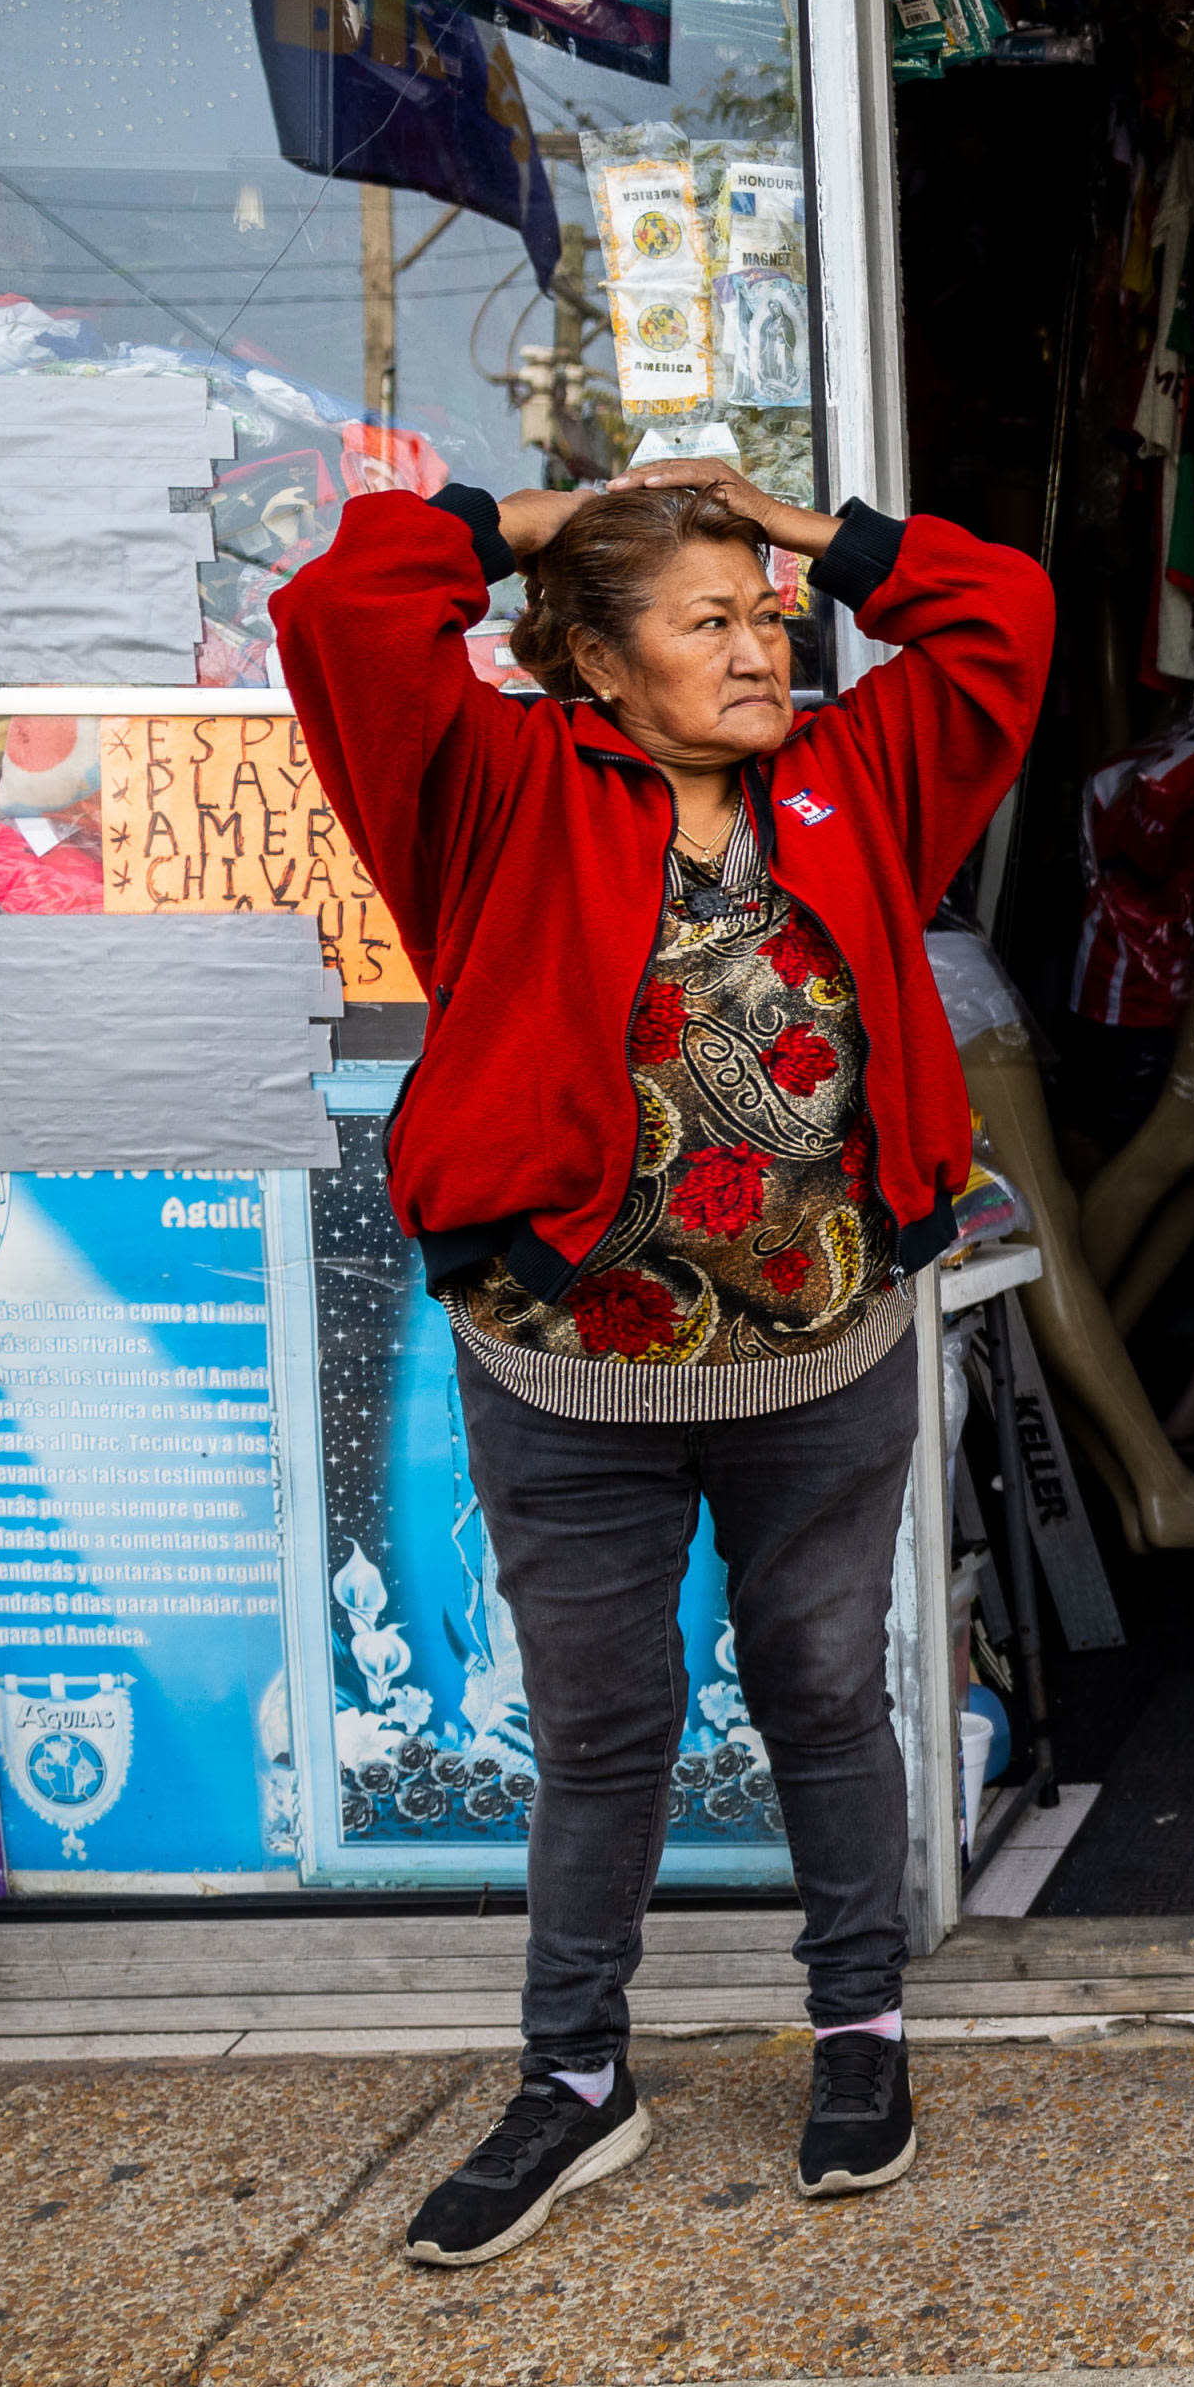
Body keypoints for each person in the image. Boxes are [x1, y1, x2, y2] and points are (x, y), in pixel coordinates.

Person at [272, 459, 1050, 2268]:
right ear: (601, 670)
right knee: (604, 1727)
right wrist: (529, 524)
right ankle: (574, 2074)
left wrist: (801, 534)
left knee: (820, 1686)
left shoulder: (856, 776)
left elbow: (1002, 612)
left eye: (766, 614)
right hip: (566, 1375)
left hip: (826, 1356)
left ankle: (858, 2026)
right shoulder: (493, 786)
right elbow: (339, 616)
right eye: (707, 622)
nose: (763, 641)